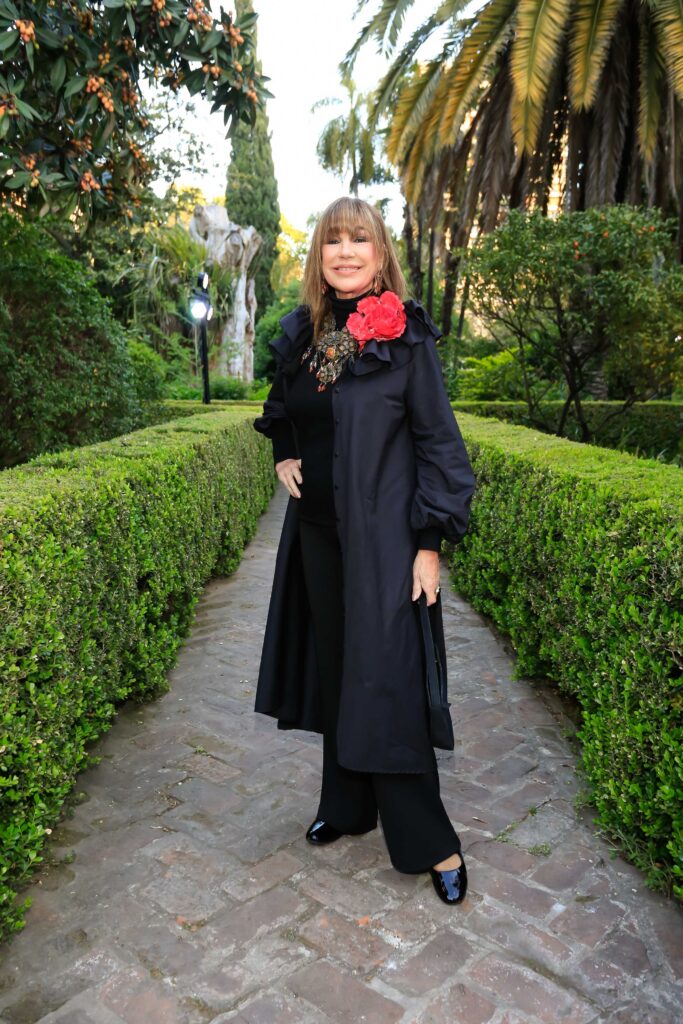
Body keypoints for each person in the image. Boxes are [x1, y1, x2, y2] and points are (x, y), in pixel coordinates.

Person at [252, 196, 476, 906]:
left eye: (358, 240)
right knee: (335, 667)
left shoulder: (403, 338)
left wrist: (428, 545)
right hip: (316, 535)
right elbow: (285, 407)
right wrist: (284, 452)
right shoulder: (307, 335)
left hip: (383, 541)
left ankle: (430, 840)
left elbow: (438, 444)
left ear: (380, 254)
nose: (344, 252)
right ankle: (347, 805)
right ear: (319, 256)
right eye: (332, 242)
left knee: (386, 679)